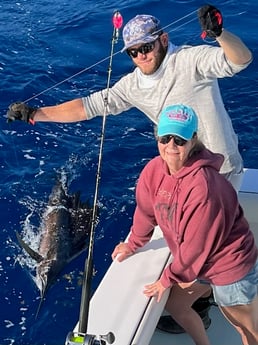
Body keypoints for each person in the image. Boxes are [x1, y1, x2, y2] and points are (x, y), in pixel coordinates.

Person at [7, 5, 252, 192]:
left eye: (146, 47)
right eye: (134, 52)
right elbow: (87, 107)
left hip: (223, 172)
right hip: (181, 174)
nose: (141, 56)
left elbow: (240, 60)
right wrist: (34, 114)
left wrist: (219, 34)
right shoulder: (132, 85)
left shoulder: (191, 59)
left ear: (163, 40)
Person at [111, 104, 258, 345]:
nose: (171, 146)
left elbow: (196, 248)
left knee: (246, 329)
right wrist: (134, 243)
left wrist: (167, 278)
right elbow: (146, 211)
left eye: (179, 140)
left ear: (193, 140)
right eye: (165, 137)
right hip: (200, 265)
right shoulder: (153, 171)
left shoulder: (204, 187)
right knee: (176, 305)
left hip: (230, 265)